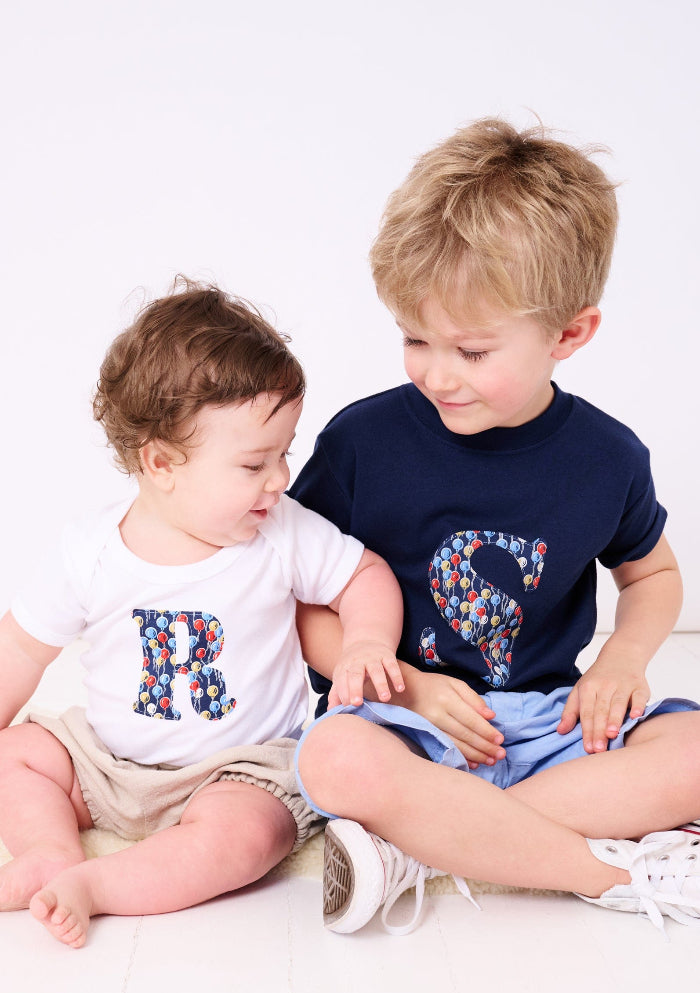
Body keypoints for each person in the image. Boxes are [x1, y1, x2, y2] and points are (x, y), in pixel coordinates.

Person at [291, 117, 700, 936]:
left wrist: (620, 660)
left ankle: (428, 845)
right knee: (333, 759)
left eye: (472, 352)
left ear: (569, 334)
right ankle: (592, 867)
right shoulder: (361, 444)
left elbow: (651, 574)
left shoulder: (606, 457)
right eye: (414, 338)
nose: (437, 373)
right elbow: (301, 601)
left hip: (549, 725)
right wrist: (403, 684)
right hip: (405, 720)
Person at [0, 282, 405, 948]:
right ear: (162, 463)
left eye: (284, 453)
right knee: (15, 755)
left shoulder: (283, 531)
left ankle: (100, 886)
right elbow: (18, 651)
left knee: (250, 837)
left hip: (239, 771)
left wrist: (365, 640)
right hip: (108, 762)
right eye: (254, 463)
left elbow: (364, 574)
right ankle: (50, 852)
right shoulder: (90, 553)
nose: (279, 479)